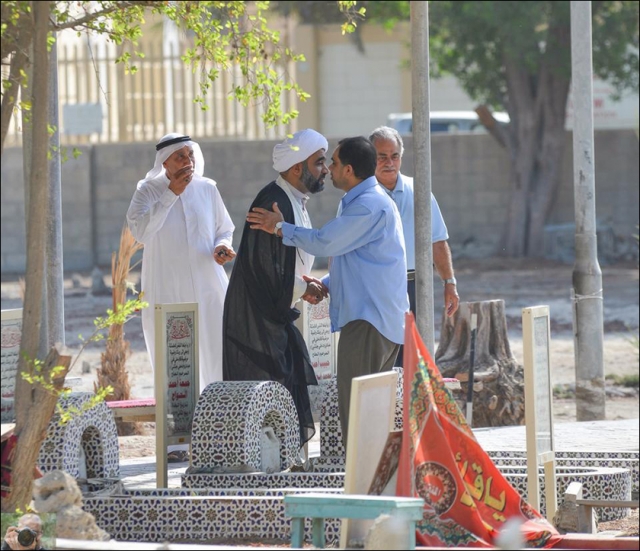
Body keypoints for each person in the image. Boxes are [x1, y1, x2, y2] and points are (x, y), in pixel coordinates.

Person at [246, 136, 409, 446]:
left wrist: (279, 227)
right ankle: (371, 470)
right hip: (375, 319)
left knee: (358, 409)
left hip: (369, 322)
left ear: (348, 170)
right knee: (367, 409)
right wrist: (325, 284)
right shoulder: (362, 201)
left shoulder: (369, 205)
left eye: (332, 162)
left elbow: (326, 242)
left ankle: (361, 474)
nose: (328, 169)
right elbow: (358, 261)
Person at [127, 133, 235, 462]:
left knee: (216, 356)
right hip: (168, 289)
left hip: (208, 287)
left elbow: (224, 228)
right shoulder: (147, 191)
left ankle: (220, 435)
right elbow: (140, 232)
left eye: (190, 155)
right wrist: (170, 194)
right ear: (164, 162)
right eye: (180, 156)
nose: (187, 161)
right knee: (174, 362)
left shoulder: (207, 188)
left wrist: (222, 245)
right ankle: (177, 443)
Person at [223, 129, 329, 449]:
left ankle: (282, 461)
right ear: (297, 167)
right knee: (264, 397)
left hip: (277, 314)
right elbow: (263, 268)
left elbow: (291, 257)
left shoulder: (293, 200)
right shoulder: (273, 201)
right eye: (319, 162)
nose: (325, 169)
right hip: (257, 320)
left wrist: (303, 285)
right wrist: (303, 288)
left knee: (283, 394)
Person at [369, 126, 459, 365]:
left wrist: (449, 282)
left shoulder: (419, 191)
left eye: (394, 156)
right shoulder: (360, 196)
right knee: (380, 357)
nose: (389, 163)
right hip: (375, 287)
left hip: (414, 286)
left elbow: (437, 240)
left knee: (414, 357)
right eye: (381, 157)